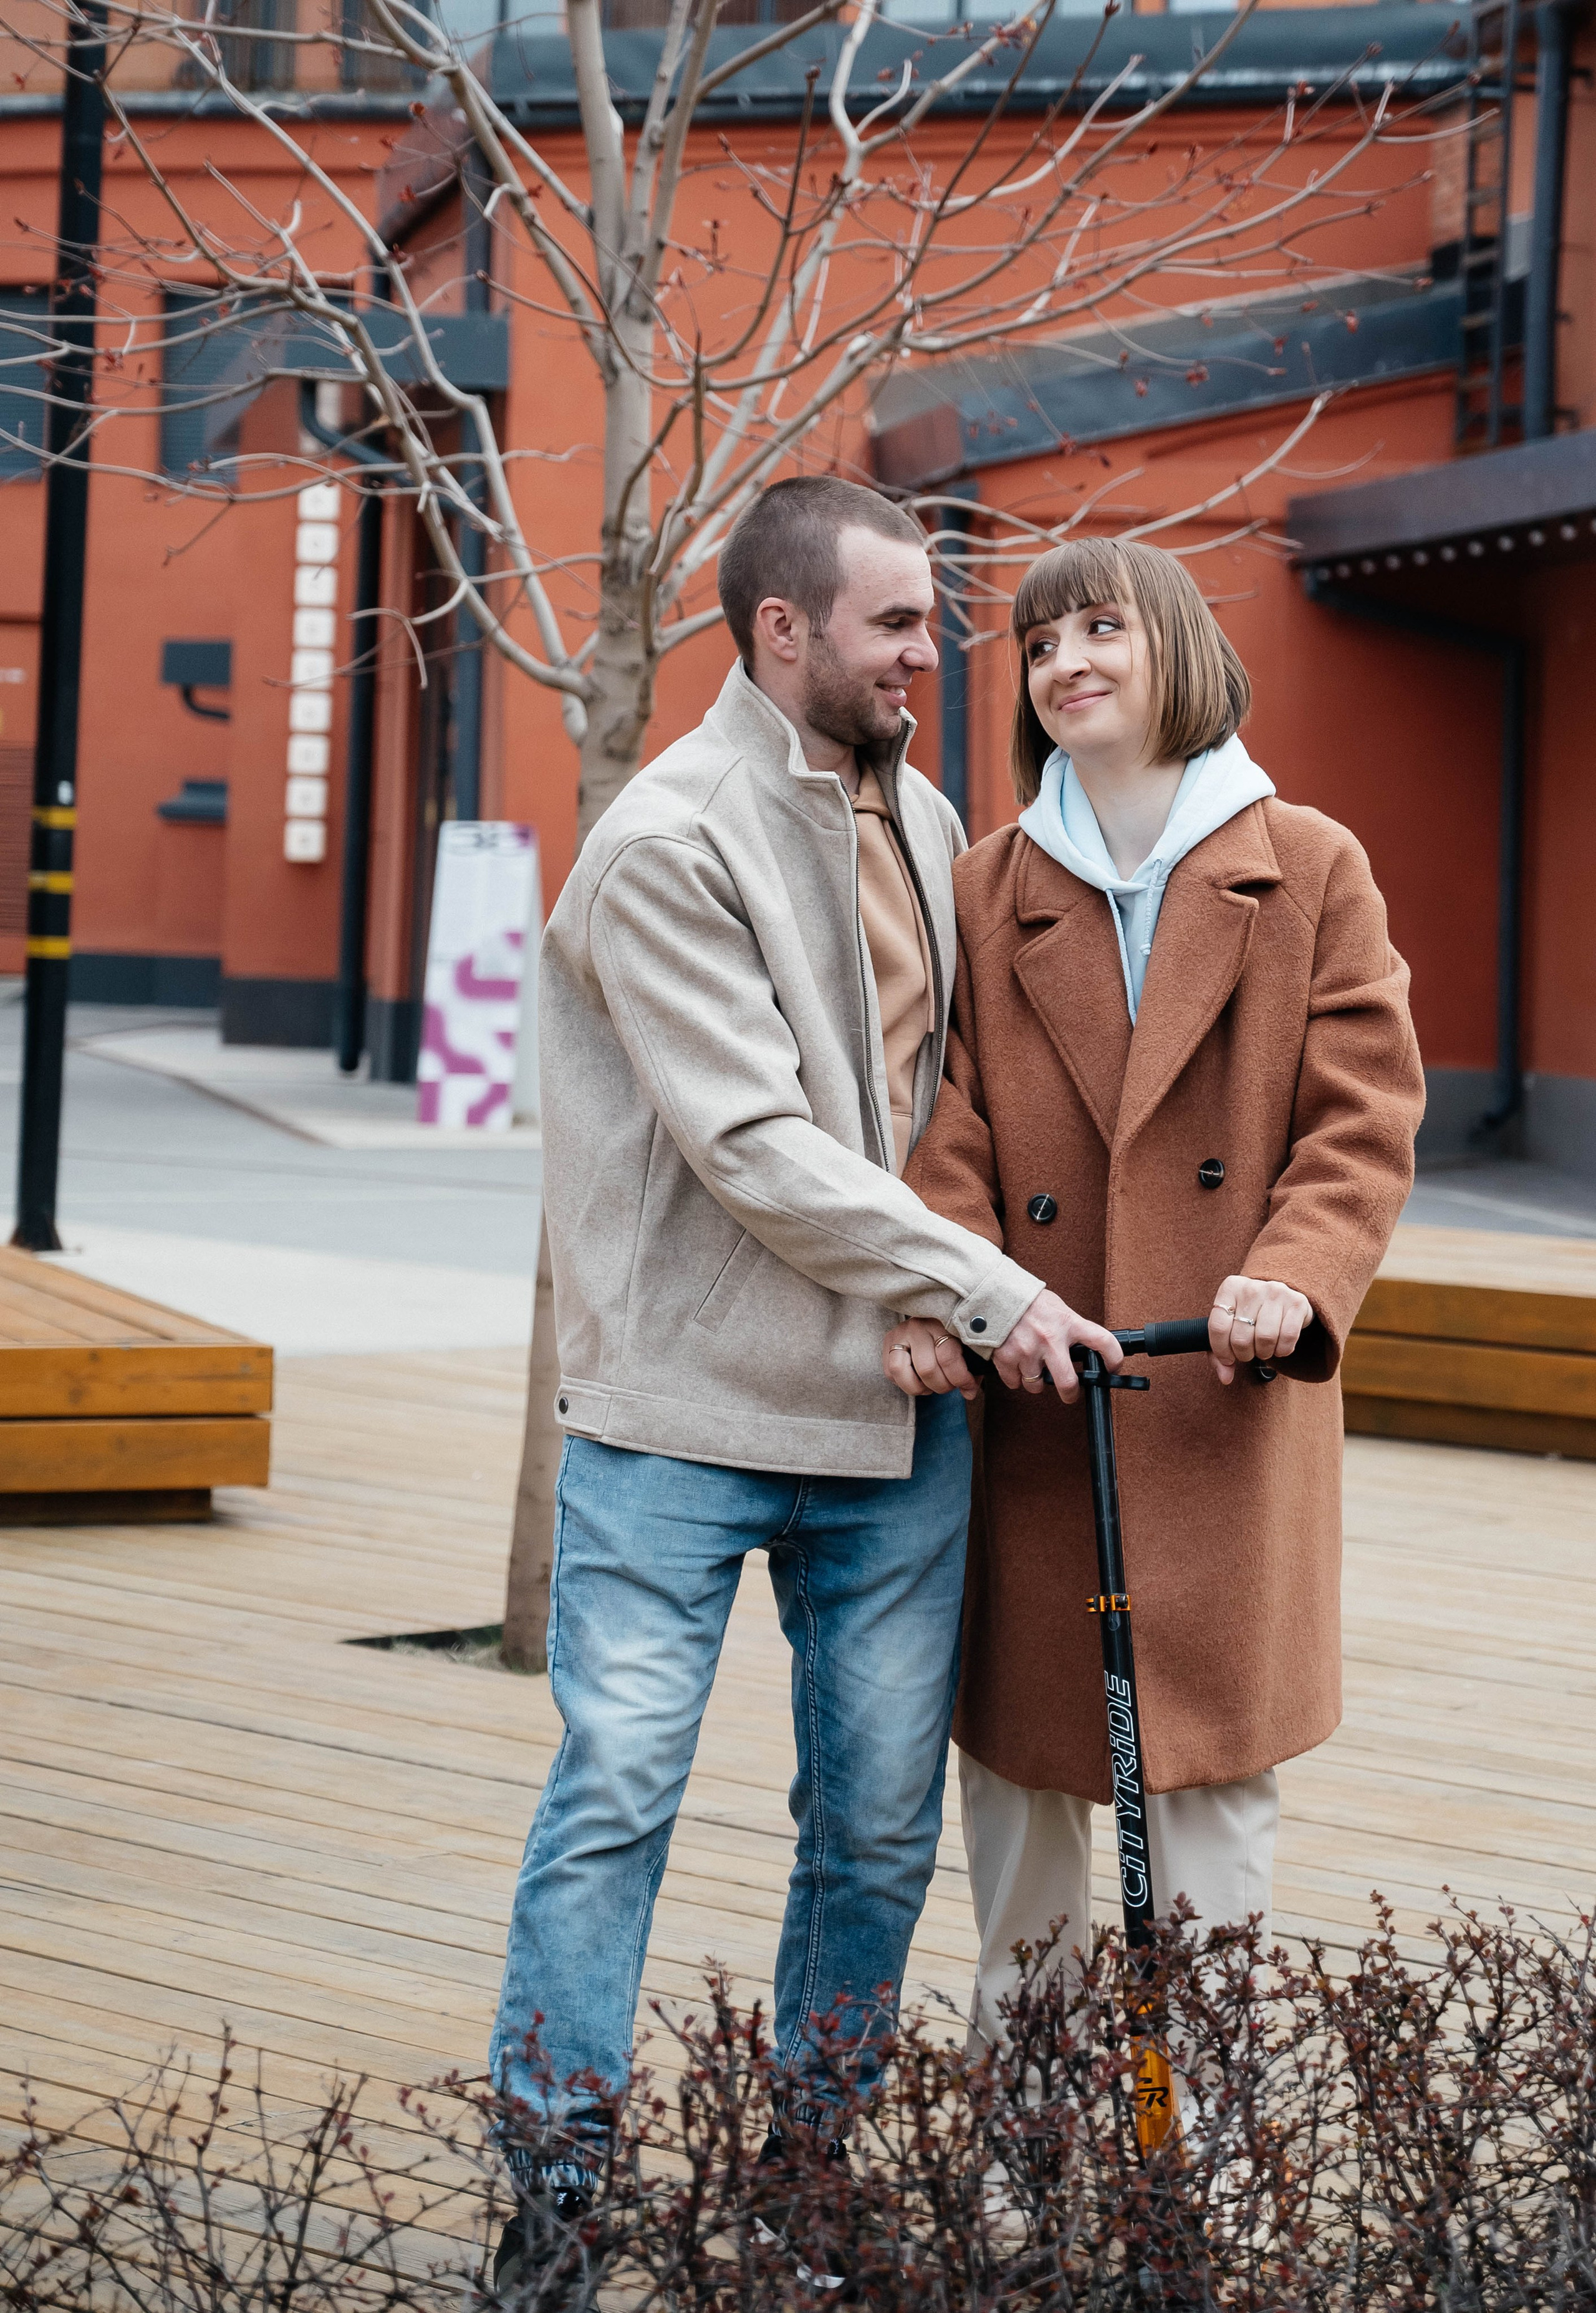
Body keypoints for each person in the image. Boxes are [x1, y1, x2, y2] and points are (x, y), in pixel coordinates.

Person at [489, 478, 1123, 2294]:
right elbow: (758, 1143)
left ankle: (812, 2184)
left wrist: (939, 1294)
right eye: (898, 624)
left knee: (874, 1829)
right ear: (783, 632)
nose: (938, 652)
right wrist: (988, 1286)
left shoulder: (927, 817)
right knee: (616, 1790)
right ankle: (557, 2197)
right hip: (678, 1414)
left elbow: (937, 1108)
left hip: (895, 1415)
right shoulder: (666, 835)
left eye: (933, 619)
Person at [884, 537, 1425, 2055]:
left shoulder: (1305, 862)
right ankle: (1024, 2194)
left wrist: (1292, 1278)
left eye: (1099, 630)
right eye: (1039, 644)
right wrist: (965, 1296)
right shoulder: (984, 886)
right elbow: (945, 1126)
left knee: (1207, 1830)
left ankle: (1203, 2196)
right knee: (1031, 1827)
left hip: (1213, 1396)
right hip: (1042, 1399)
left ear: (1174, 645)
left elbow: (1359, 1114)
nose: (1065, 664)